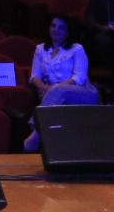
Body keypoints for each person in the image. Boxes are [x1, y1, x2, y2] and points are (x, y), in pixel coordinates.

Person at [24, 15, 97, 151]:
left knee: (58, 90)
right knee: (57, 92)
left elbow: (79, 77)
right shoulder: (40, 49)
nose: (56, 30)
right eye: (53, 26)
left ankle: (34, 133)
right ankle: (39, 135)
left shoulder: (77, 49)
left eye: (61, 27)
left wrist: (54, 88)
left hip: (83, 93)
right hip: (53, 95)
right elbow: (35, 76)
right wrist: (45, 87)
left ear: (68, 32)